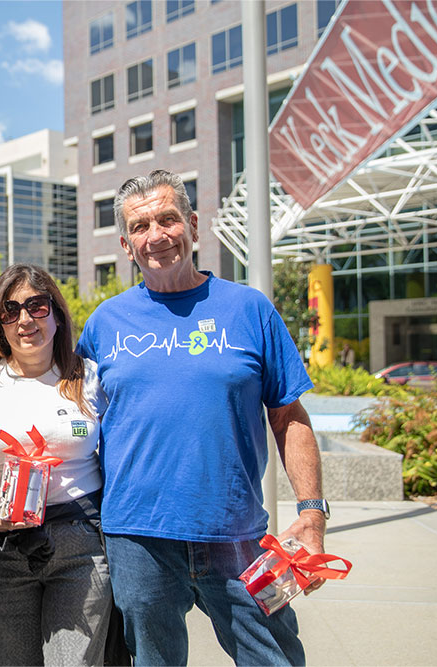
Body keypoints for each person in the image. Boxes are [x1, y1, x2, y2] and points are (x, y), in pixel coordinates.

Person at [75, 170, 326, 666]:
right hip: (138, 540)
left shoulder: (249, 309)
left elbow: (289, 416)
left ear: (192, 225)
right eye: (141, 226)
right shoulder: (105, 323)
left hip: (240, 537)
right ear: (126, 245)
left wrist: (312, 512)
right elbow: (67, 403)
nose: (157, 235)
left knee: (276, 658)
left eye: (168, 219)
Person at [0, 264, 112, 665]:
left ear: (58, 315)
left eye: (36, 306)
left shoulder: (89, 378)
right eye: (10, 311)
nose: (24, 320)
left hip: (79, 543)